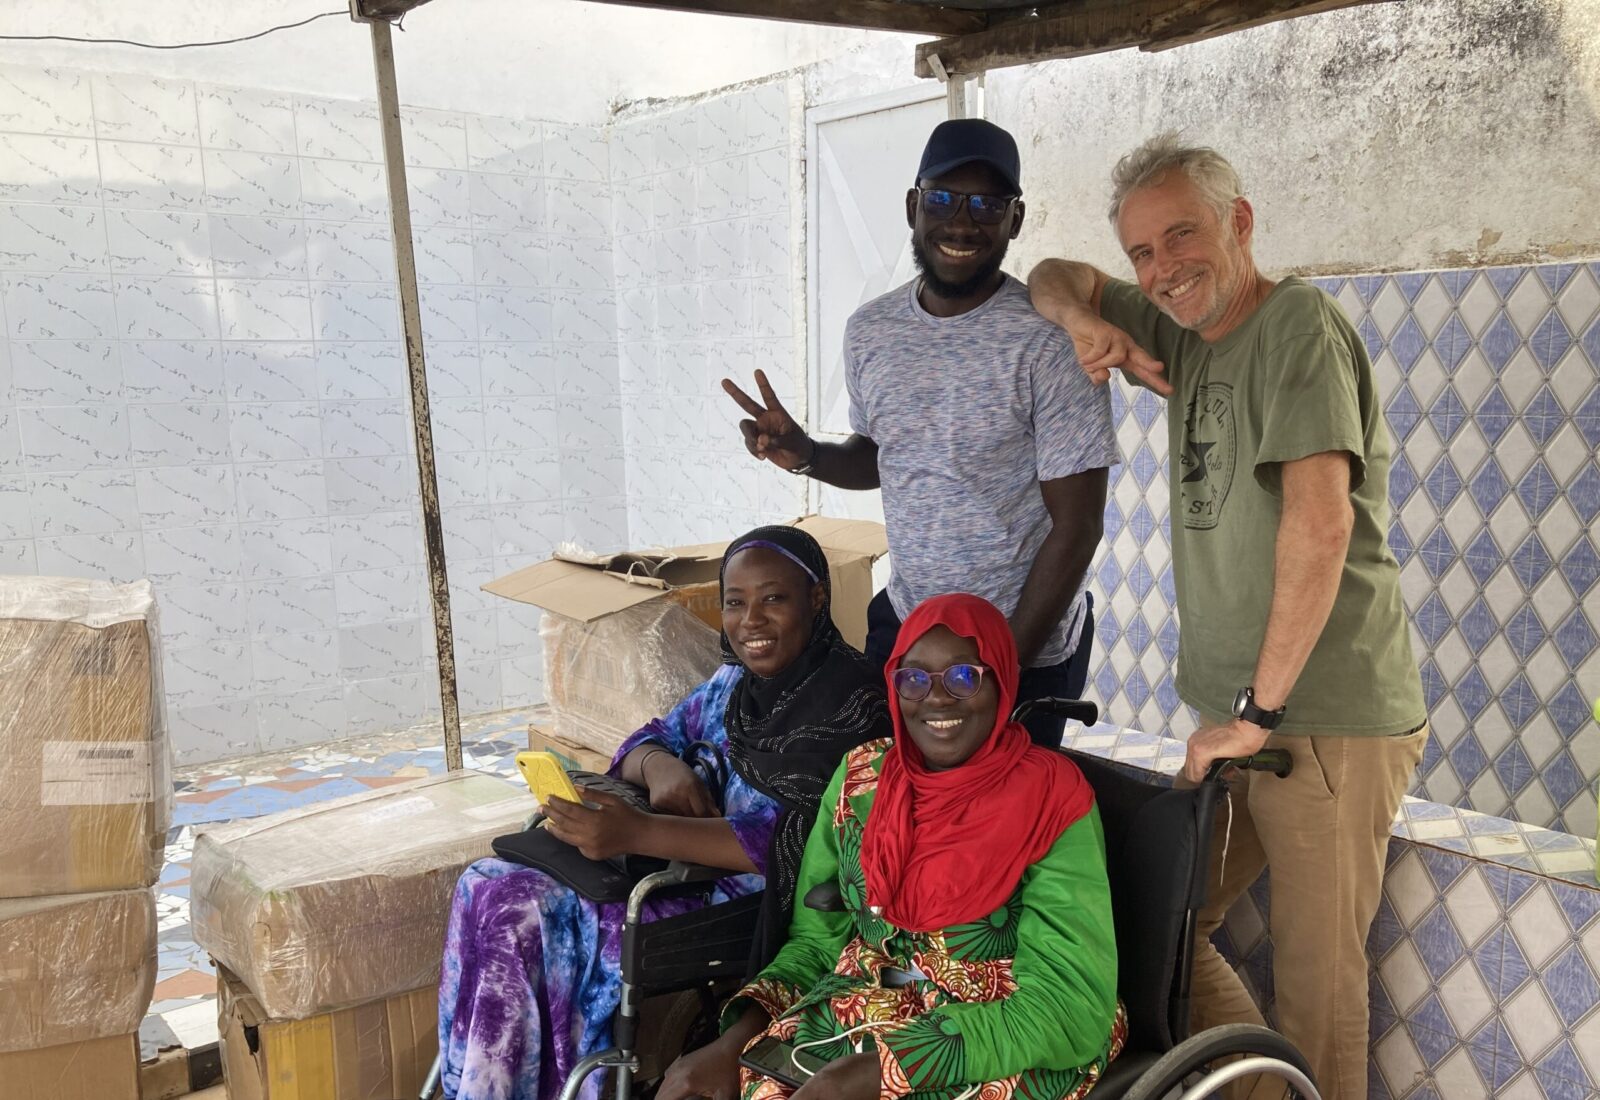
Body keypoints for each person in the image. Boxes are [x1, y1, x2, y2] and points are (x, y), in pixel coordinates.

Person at [1027, 133, 1427, 1100]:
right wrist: (1085, 319)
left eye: (1182, 237)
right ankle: (1256, 1087)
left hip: (1318, 719)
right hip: (1244, 722)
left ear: (1240, 224)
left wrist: (1258, 710)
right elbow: (1047, 272)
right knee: (1163, 917)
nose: (1162, 270)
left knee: (1319, 988)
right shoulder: (1182, 329)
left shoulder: (1295, 328)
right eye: (1142, 255)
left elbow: (1322, 526)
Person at [437, 527, 892, 1100]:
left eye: (773, 598)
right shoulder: (731, 685)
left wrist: (641, 830)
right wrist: (661, 768)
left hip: (749, 902)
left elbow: (800, 838)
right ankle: (484, 1085)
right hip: (673, 871)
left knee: (520, 910)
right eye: (735, 601)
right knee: (482, 884)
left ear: (817, 598)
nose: (751, 619)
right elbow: (648, 739)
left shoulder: (854, 705)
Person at [722, 119, 1118, 747]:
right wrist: (808, 456)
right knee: (897, 804)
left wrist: (1001, 665)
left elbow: (1078, 523)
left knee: (1004, 827)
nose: (963, 222)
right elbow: (880, 458)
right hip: (910, 622)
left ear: (1014, 220)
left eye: (988, 204)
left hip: (1024, 643)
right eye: (943, 198)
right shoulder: (871, 332)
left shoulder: (1049, 340)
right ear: (913, 206)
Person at [660, 593, 1124, 1100]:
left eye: (964, 676)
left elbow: (1066, 1005)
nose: (938, 698)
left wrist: (877, 1071)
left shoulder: (1051, 798)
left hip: (1005, 1034)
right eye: (915, 679)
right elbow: (818, 944)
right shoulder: (862, 780)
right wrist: (733, 1042)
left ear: (1001, 682)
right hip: (869, 1005)